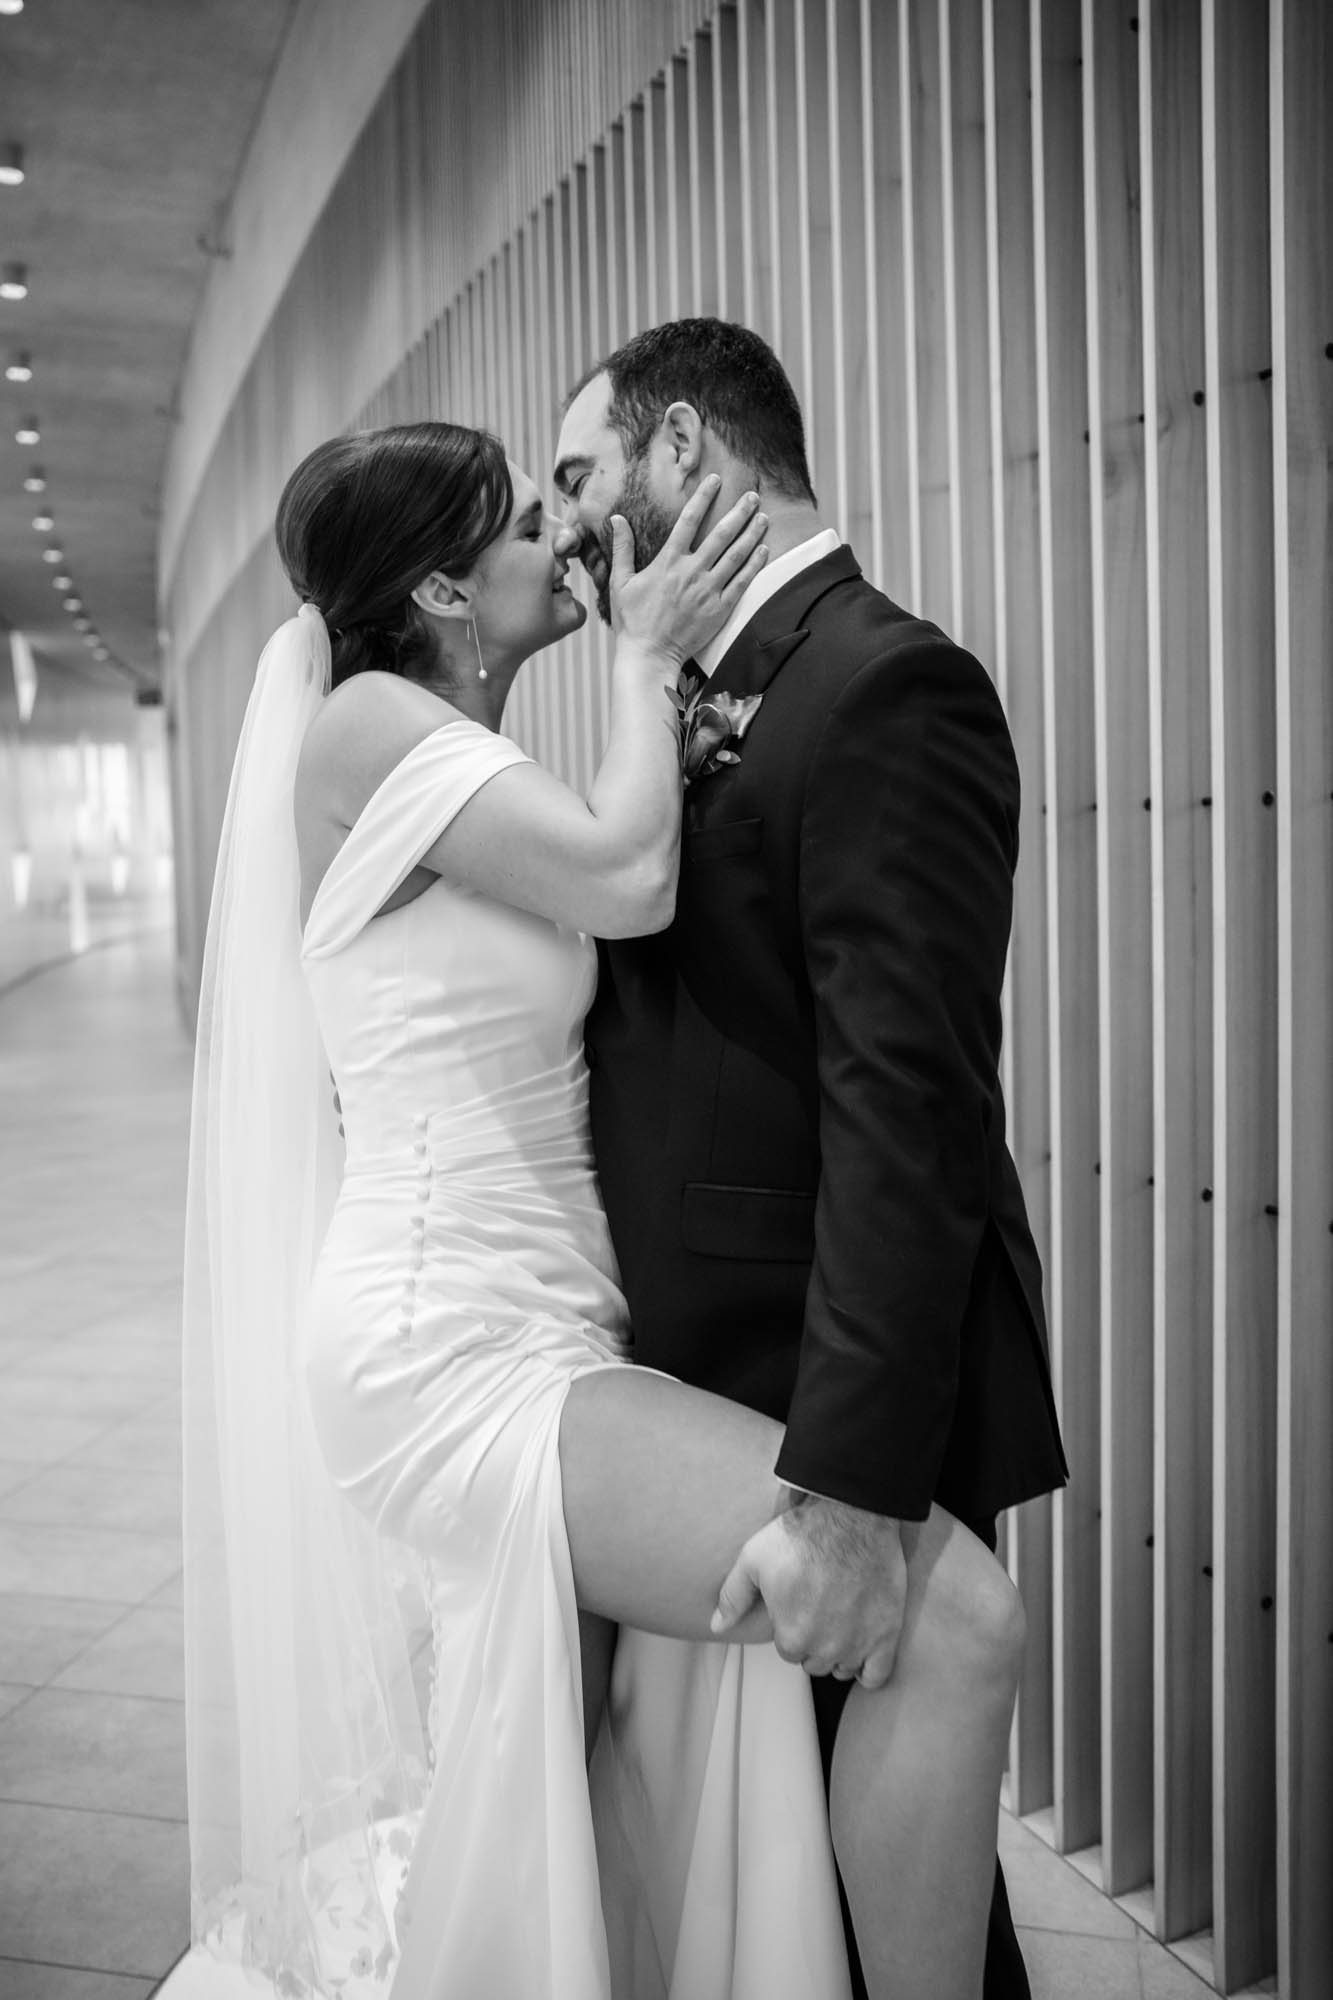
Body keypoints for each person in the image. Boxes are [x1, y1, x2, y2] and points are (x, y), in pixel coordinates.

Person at [182, 417, 1026, 2000]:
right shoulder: (364, 727)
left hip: (547, 1327)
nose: (565, 542)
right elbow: (631, 881)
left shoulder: (469, 766)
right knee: (958, 1611)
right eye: (525, 521)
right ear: (443, 584)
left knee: (554, 1785)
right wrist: (646, 663)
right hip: (446, 1341)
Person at [554, 319, 1070, 2000]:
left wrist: (848, 1488)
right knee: (804, 1873)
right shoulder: (695, 691)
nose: (564, 532)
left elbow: (903, 1103)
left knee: (888, 1879)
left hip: (830, 1386)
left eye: (584, 478)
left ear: (685, 450)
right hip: (711, 1366)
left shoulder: (882, 681)